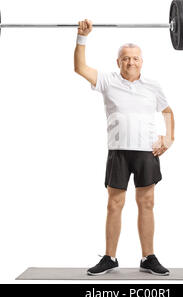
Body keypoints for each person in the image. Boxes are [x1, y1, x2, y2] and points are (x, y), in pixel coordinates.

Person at [74, 19, 175, 276]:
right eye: (125, 59)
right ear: (118, 62)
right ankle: (109, 257)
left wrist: (169, 138)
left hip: (146, 152)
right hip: (118, 151)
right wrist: (82, 37)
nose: (131, 62)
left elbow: (168, 112)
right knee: (114, 204)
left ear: (142, 61)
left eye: (135, 58)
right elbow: (80, 67)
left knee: (147, 203)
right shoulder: (108, 81)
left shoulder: (153, 86)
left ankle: (148, 257)